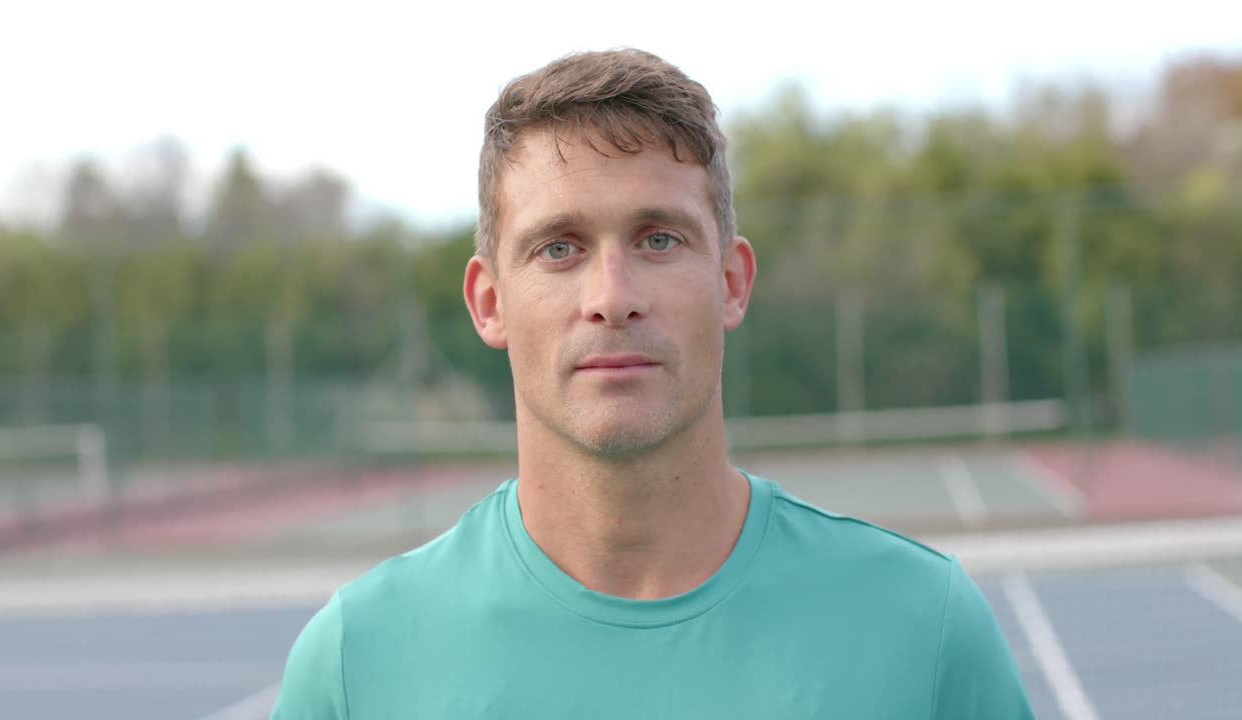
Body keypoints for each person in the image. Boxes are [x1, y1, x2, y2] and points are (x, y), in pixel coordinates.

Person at [271, 48, 1034, 719]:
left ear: (731, 282)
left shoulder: (923, 629)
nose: (613, 295)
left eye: (659, 240)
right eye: (559, 248)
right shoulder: (355, 660)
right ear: (490, 302)